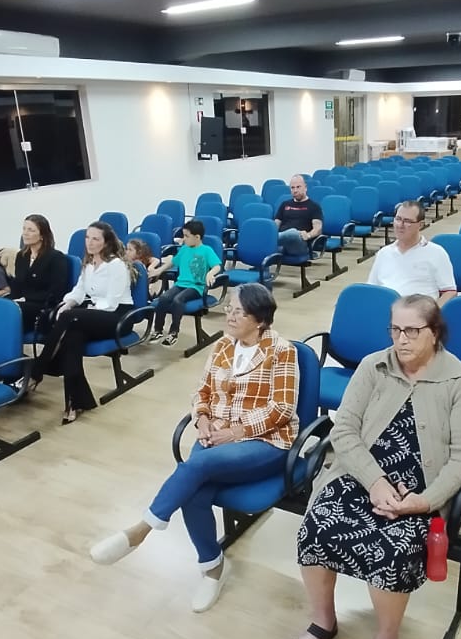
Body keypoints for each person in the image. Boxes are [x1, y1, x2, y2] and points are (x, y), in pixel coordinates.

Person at [292, 295, 461, 639]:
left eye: (412, 330)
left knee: (394, 550)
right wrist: (375, 481)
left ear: (435, 333)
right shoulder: (373, 366)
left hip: (419, 489)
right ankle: (323, 620)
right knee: (316, 527)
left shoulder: (460, 380)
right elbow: (344, 430)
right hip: (361, 475)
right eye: (395, 329)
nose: (401, 339)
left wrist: (424, 501)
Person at [89, 284, 298, 612]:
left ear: (260, 320)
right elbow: (202, 391)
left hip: (264, 442)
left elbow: (282, 409)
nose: (230, 316)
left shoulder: (282, 351)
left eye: (239, 312)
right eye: (229, 308)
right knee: (193, 493)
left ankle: (141, 531)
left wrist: (235, 432)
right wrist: (201, 419)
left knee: (194, 468)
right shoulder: (223, 346)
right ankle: (213, 568)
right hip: (215, 435)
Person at [28, 222, 134, 424]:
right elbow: (79, 290)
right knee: (72, 337)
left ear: (106, 242)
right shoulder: (89, 264)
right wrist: (69, 302)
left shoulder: (116, 266)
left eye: (95, 239)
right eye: (87, 238)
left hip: (118, 316)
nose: (89, 243)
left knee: (70, 318)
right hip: (95, 313)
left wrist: (81, 312)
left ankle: (37, 371)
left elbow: (111, 303)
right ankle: (74, 402)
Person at [147, 220, 221, 347]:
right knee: (164, 298)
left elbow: (217, 266)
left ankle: (174, 332)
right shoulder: (184, 249)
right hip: (180, 284)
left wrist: (210, 273)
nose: (183, 239)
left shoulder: (206, 250)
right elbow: (172, 262)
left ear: (197, 237)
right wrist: (158, 271)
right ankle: (158, 330)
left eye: (187, 236)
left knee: (178, 300)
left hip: (196, 287)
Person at [366, 201, 457, 304]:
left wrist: (433, 311)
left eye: (407, 221)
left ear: (420, 225)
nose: (400, 225)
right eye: (398, 219)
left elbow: (450, 292)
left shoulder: (436, 253)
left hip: (419, 311)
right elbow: (372, 289)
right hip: (386, 309)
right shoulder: (384, 253)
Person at [11, 214, 72, 334]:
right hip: (23, 303)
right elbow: (18, 283)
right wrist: (12, 299)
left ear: (42, 236)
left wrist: (26, 299)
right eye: (24, 229)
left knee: (10, 311)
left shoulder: (56, 257)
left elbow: (56, 292)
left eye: (31, 230)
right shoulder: (21, 256)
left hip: (43, 306)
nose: (25, 233)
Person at [274, 174, 323, 258]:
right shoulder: (284, 204)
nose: (295, 190)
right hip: (282, 243)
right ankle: (269, 240)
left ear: (305, 187)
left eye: (298, 187)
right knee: (266, 229)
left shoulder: (314, 206)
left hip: (300, 244)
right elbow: (275, 225)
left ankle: (268, 240)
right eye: (292, 188)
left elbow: (318, 229)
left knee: (293, 233)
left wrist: (308, 235)